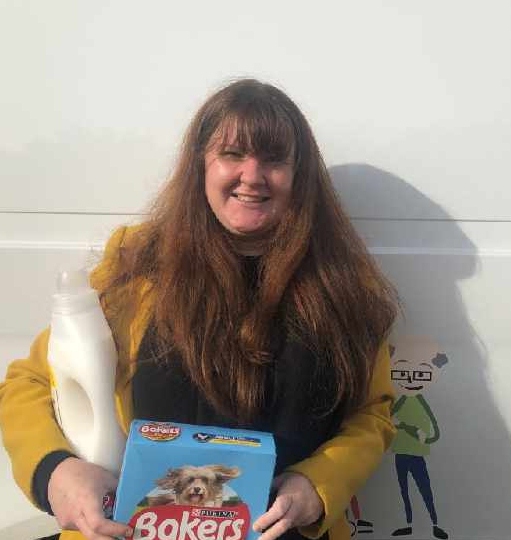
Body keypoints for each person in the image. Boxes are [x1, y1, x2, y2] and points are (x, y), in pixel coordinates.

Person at [0, 79, 399, 540]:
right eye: (232, 155)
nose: (252, 175)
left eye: (273, 159)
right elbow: (28, 383)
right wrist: (56, 472)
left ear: (300, 174)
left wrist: (319, 484)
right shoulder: (137, 264)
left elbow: (372, 414)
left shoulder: (342, 282)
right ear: (201, 165)